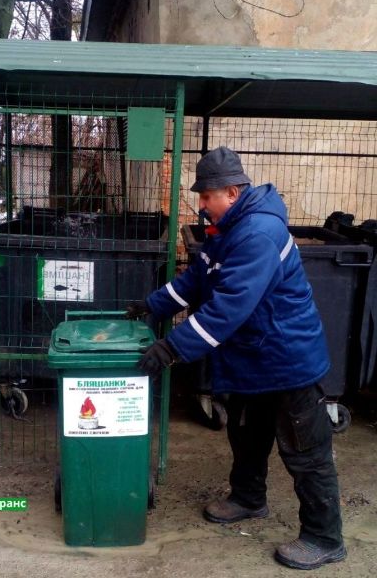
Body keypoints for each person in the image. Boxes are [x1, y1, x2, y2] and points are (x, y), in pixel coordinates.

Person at [127, 146, 346, 570]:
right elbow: (198, 278)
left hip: (287, 360)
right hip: (254, 358)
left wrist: (172, 346)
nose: (202, 205)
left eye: (206, 197)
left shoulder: (257, 234)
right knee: (247, 435)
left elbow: (230, 304)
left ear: (231, 191)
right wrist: (154, 305)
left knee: (306, 452)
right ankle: (248, 498)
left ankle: (324, 537)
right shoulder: (227, 228)